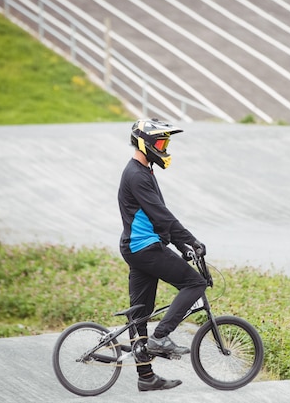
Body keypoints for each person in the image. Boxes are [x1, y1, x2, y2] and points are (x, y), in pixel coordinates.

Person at [118, 118, 207, 392]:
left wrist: (181, 246)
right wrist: (190, 240)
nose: (163, 147)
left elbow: (157, 217)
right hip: (144, 248)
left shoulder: (143, 171)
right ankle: (160, 336)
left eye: (165, 142)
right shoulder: (137, 175)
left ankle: (146, 377)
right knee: (195, 283)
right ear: (145, 143)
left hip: (138, 247)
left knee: (139, 313)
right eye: (160, 142)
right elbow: (161, 215)